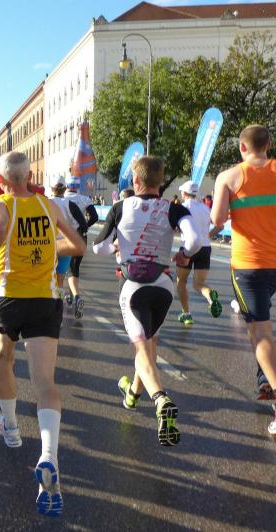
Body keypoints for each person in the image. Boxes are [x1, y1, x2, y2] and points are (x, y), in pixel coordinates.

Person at [0, 152, 85, 517]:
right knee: (45, 382)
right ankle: (49, 454)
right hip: (44, 299)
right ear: (29, 176)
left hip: (8, 297)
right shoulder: (48, 205)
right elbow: (78, 245)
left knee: (4, 358)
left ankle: (11, 427)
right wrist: (49, 247)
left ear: (1, 180)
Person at [93, 156, 200, 447]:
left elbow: (99, 248)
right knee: (150, 344)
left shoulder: (120, 207)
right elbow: (194, 240)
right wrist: (183, 255)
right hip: (163, 286)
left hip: (133, 286)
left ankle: (160, 398)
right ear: (161, 181)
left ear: (136, 181)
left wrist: (117, 246)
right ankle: (132, 394)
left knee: (141, 349)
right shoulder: (174, 208)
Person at [211, 124, 276, 434]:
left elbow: (218, 218)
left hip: (249, 267)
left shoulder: (229, 177)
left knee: (260, 334)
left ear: (241, 147)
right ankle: (265, 379)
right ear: (268, 145)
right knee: (263, 331)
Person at [175, 181, 223, 326]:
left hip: (188, 248)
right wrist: (208, 235)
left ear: (184, 193)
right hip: (205, 247)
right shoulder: (205, 208)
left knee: (181, 282)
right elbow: (220, 226)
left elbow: (174, 228)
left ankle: (187, 314)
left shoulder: (181, 208)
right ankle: (210, 297)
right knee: (199, 284)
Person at [63, 177, 99, 319]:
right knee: (74, 268)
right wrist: (85, 226)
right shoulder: (84, 199)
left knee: (64, 269)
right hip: (80, 235)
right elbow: (94, 217)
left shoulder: (61, 198)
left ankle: (73, 297)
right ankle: (71, 297)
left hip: (63, 236)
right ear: (78, 186)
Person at [48, 181, 88, 301]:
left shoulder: (46, 202)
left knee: (48, 278)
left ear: (51, 189)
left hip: (49, 245)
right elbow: (84, 225)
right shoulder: (71, 204)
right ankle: (59, 303)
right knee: (60, 281)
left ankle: (50, 301)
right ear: (65, 189)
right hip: (66, 245)